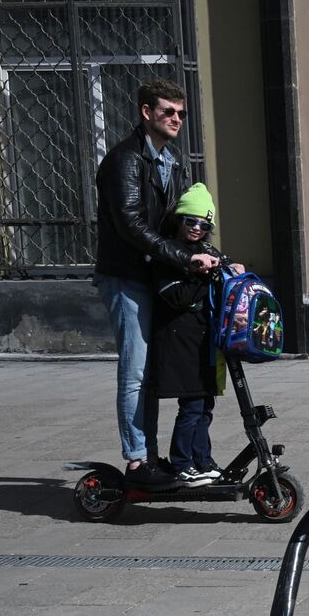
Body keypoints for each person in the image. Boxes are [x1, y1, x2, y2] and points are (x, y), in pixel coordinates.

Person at [92, 78, 221, 489]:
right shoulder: (125, 160)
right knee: (134, 371)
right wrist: (185, 258)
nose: (176, 119)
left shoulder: (169, 160)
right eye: (168, 111)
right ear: (146, 112)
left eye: (181, 113)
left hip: (154, 271)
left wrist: (209, 253)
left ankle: (149, 455)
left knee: (149, 372)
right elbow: (130, 225)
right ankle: (136, 461)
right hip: (126, 276)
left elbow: (176, 220)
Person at [149, 183, 243, 486]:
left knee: (205, 405)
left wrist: (231, 270)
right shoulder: (168, 252)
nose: (197, 228)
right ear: (179, 219)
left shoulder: (206, 250)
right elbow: (175, 298)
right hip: (179, 341)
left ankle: (203, 460)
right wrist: (206, 277)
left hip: (204, 340)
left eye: (205, 224)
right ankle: (182, 464)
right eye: (191, 220)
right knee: (190, 405)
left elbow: (221, 274)